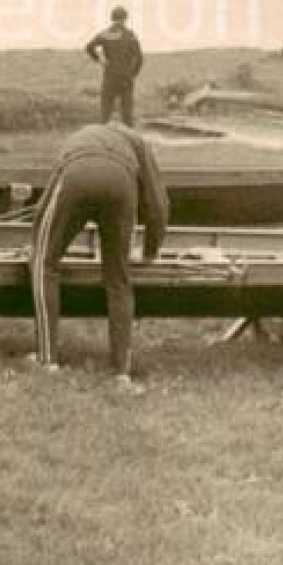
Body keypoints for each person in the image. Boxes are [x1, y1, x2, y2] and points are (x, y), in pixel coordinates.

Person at [30, 123, 169, 389]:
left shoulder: (78, 136)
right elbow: (158, 205)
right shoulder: (139, 143)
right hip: (121, 182)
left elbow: (45, 205)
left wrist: (38, 241)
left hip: (78, 173)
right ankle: (120, 373)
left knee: (43, 263)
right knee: (118, 279)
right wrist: (151, 250)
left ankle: (47, 361)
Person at [85, 6, 144, 126]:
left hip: (110, 75)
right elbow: (140, 58)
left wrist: (100, 60)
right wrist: (133, 74)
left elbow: (89, 47)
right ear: (125, 18)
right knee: (127, 113)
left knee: (106, 111)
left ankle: (102, 139)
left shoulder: (106, 34)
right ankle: (129, 139)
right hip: (126, 77)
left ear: (112, 18)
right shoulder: (130, 35)